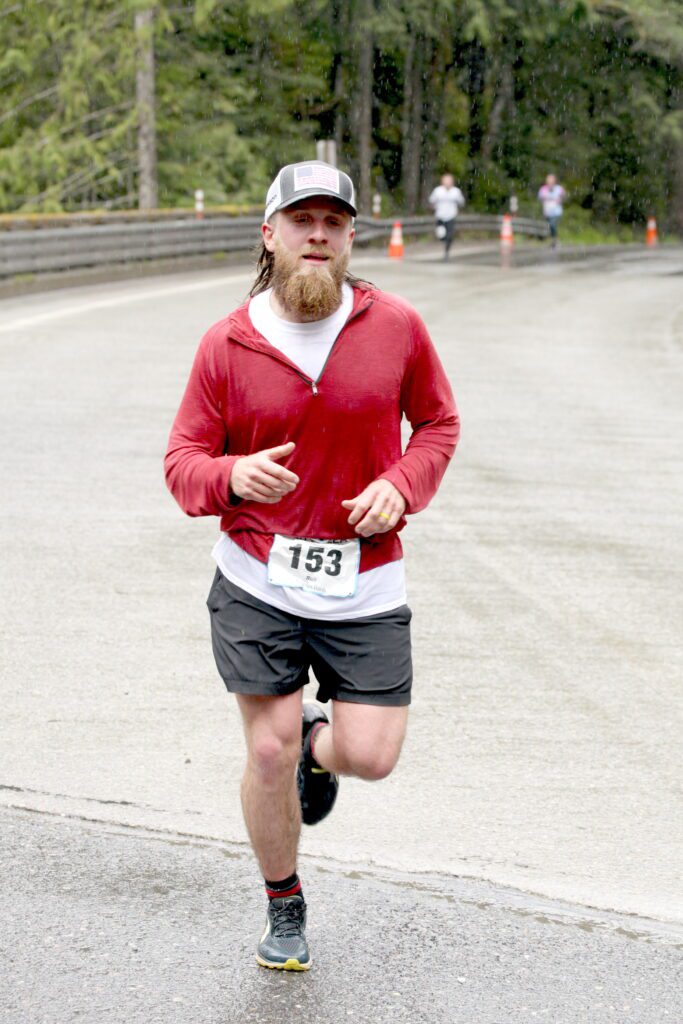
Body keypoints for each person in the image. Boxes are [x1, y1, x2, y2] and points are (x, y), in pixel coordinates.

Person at [164, 160, 459, 971]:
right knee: (265, 748)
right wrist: (230, 475)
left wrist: (401, 486)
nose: (318, 235)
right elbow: (181, 461)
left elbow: (436, 425)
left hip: (363, 579)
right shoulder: (226, 343)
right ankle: (284, 903)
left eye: (333, 221)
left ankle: (314, 747)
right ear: (270, 235)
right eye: (302, 221)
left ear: (351, 236)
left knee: (371, 755)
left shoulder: (395, 326)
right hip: (258, 577)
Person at [428, 173, 466, 260]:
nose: (447, 182)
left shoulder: (456, 192)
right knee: (441, 235)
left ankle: (446, 252)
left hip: (451, 216)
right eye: (446, 181)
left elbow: (461, 202)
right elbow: (431, 201)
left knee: (450, 236)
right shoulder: (438, 191)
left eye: (449, 181)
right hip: (440, 216)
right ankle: (443, 241)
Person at [537, 173, 566, 248]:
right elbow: (540, 197)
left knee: (553, 224)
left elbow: (564, 196)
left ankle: (555, 239)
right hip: (547, 211)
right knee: (550, 226)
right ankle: (554, 239)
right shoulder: (543, 189)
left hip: (556, 211)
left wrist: (560, 199)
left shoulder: (559, 188)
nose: (550, 181)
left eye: (551, 180)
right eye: (548, 180)